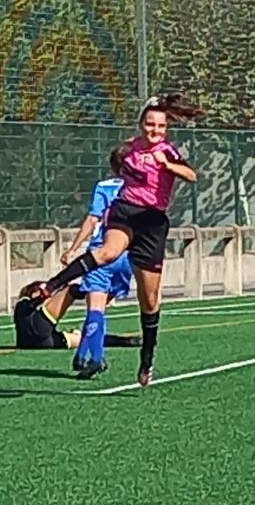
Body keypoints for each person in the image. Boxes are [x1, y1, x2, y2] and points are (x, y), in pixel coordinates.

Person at [37, 93, 203, 387]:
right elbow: (117, 175)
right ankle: (52, 285)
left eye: (160, 126)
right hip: (126, 212)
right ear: (141, 125)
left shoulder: (168, 151)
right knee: (107, 253)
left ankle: (147, 358)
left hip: (152, 223)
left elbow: (191, 175)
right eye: (150, 124)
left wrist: (167, 165)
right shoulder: (129, 151)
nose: (155, 130)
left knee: (149, 299)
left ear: (166, 129)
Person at [63, 141, 136, 379]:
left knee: (95, 309)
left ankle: (95, 358)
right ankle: (81, 355)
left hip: (101, 252)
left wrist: (74, 248)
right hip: (126, 255)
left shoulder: (104, 187)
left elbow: (92, 219)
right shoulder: (141, 189)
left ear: (113, 167)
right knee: (99, 309)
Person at [12, 280, 140, 351]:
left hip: (39, 343)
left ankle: (126, 341)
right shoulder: (23, 304)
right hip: (36, 329)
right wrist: (46, 292)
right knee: (71, 289)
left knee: (88, 338)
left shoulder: (26, 308)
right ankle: (97, 294)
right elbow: (31, 304)